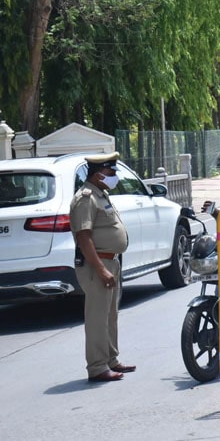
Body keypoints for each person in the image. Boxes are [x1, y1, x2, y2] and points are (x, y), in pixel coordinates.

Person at [70, 152, 135, 382]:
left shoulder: (100, 194)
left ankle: (111, 359)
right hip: (96, 263)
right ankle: (97, 367)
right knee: (97, 316)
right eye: (111, 172)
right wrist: (101, 270)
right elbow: (84, 237)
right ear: (98, 175)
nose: (114, 176)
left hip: (110, 260)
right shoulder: (86, 198)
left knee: (110, 315)